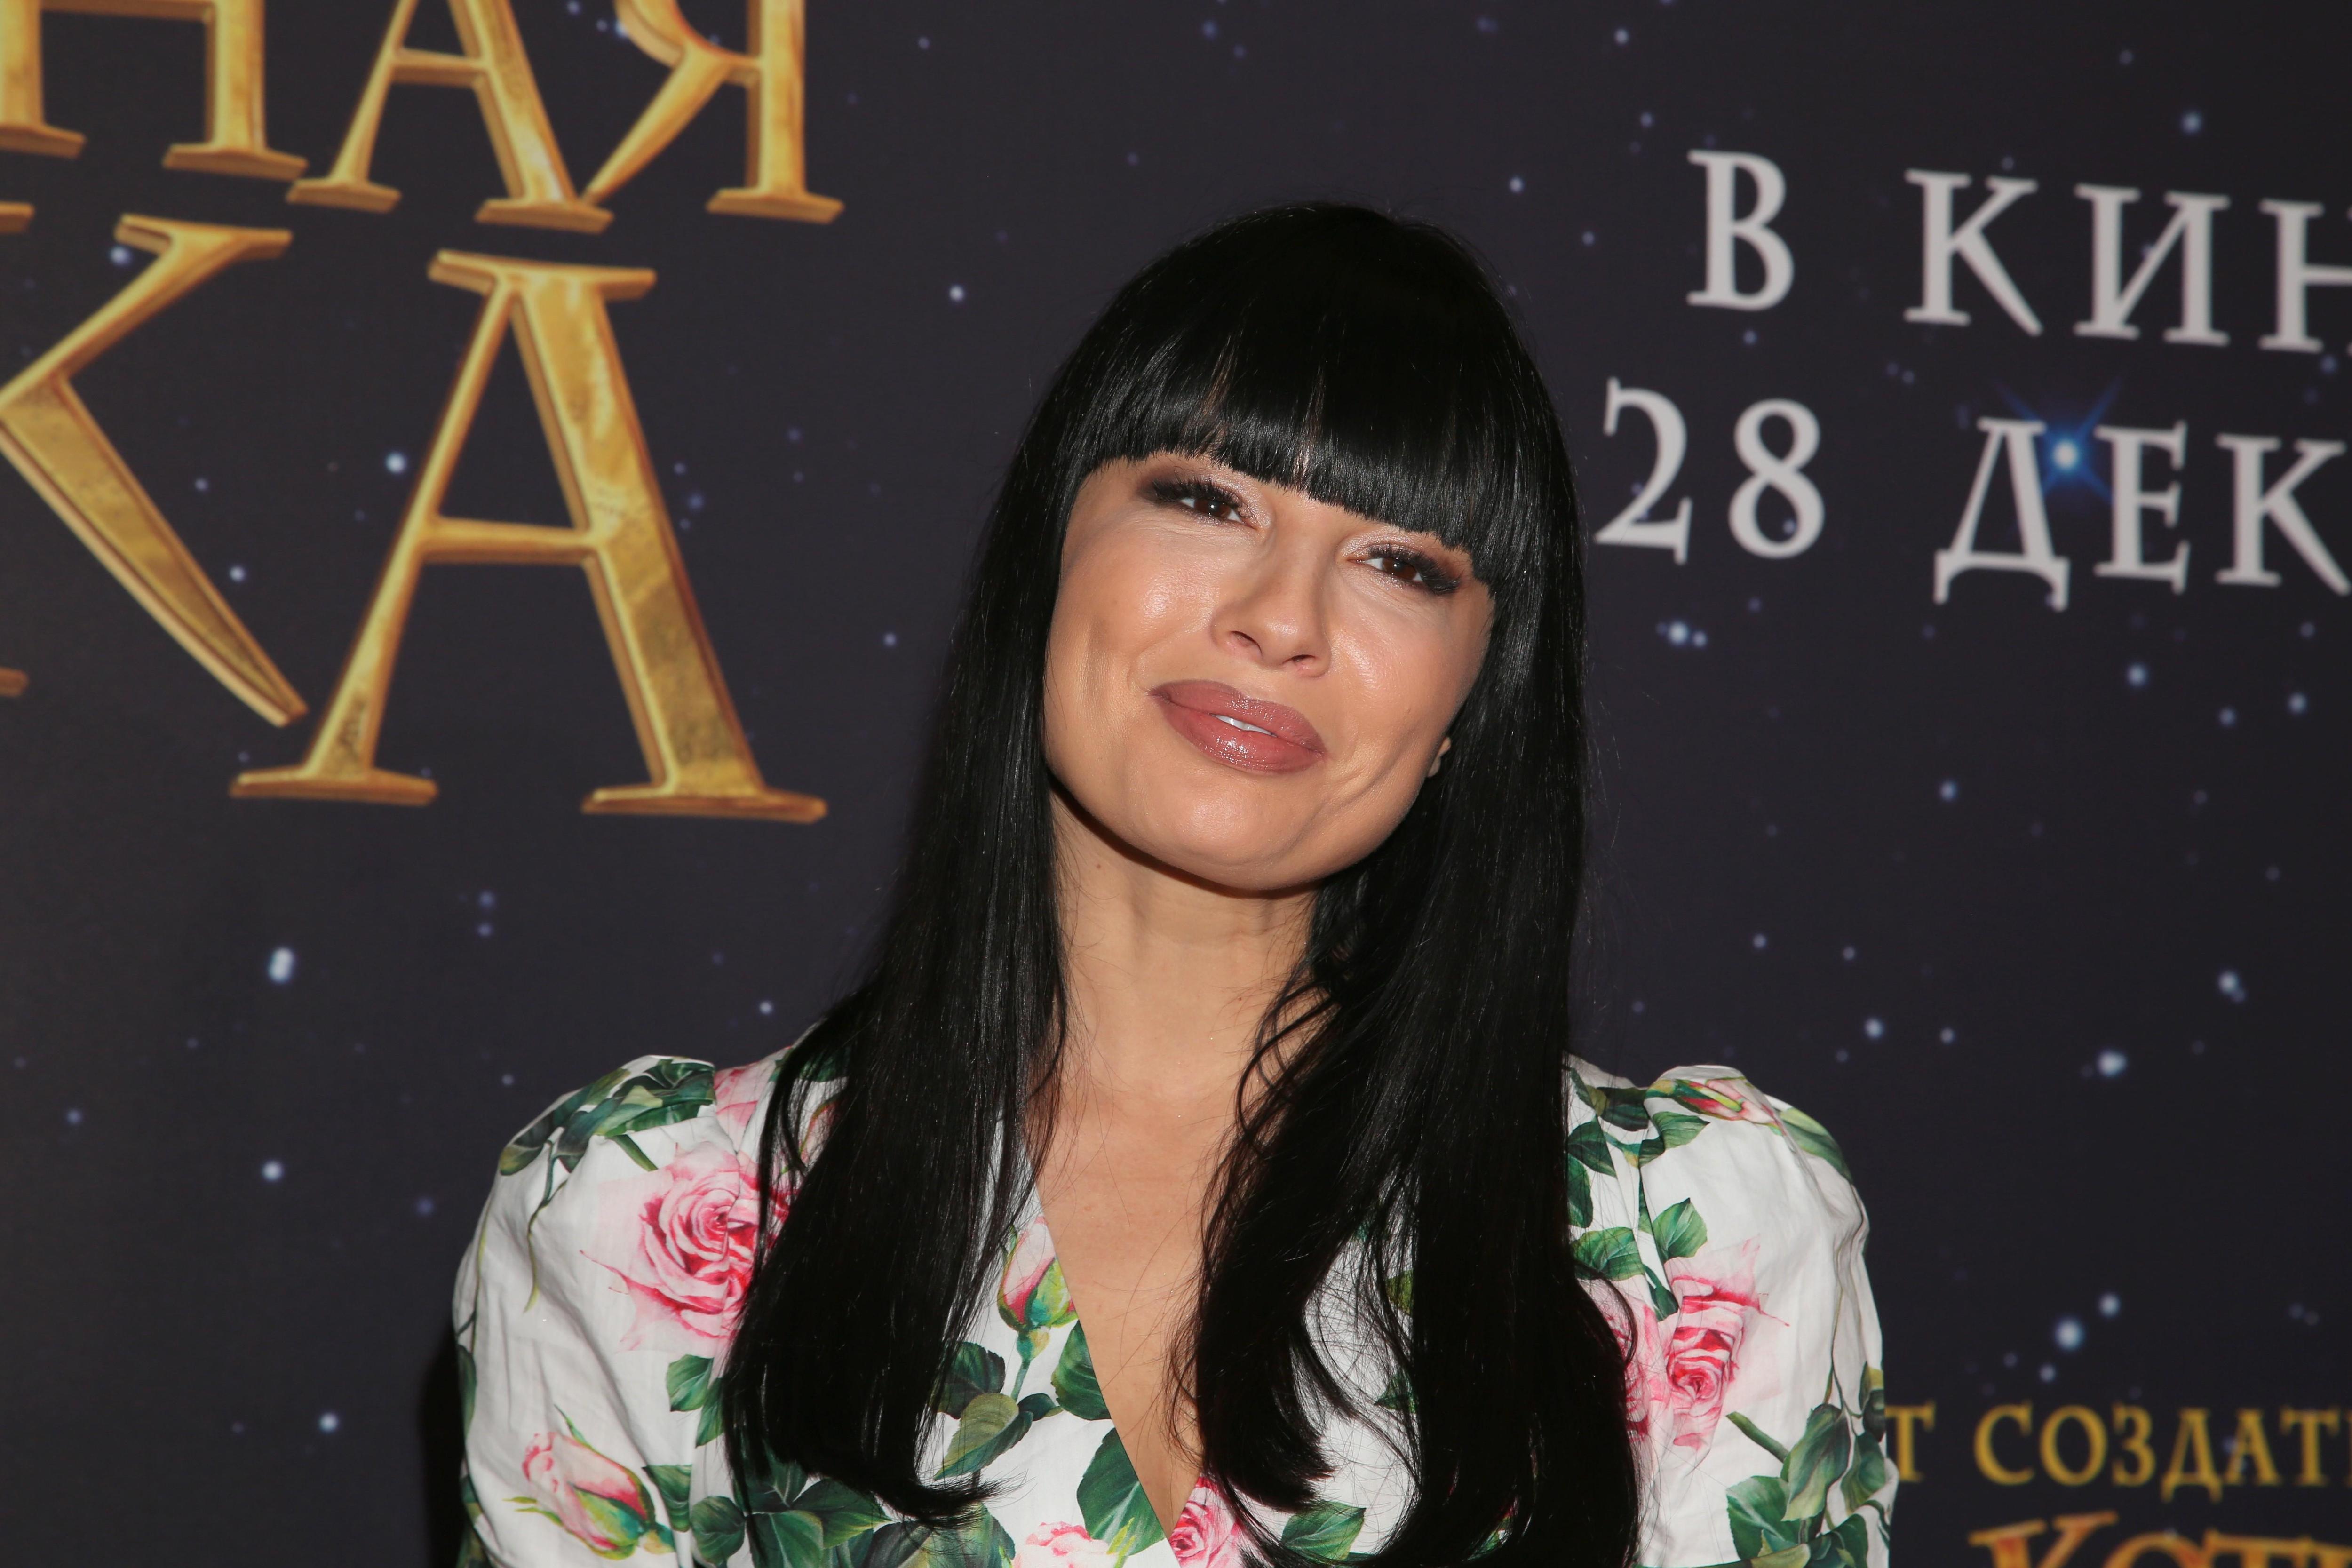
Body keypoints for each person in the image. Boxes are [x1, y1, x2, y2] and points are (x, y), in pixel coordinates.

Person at [453, 204, 1891, 1568]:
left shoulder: (1692, 1232)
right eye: (1208, 499)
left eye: (1399, 564)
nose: (1280, 619)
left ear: (1471, 700)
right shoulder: (646, 1213)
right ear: (1050, 553)